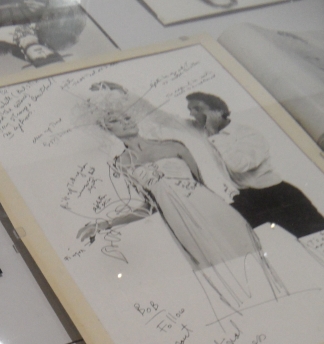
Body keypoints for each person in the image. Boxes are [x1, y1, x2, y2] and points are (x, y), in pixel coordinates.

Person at [78, 107, 288, 316]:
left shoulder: (173, 146)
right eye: (116, 120)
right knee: (217, 271)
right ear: (106, 128)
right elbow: (149, 206)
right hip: (181, 225)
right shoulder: (121, 164)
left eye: (126, 115)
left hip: (212, 210)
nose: (126, 121)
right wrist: (106, 224)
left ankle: (281, 307)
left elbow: (202, 184)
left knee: (246, 258)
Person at [186, 92, 324, 238]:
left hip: (277, 196)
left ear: (218, 111)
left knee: (316, 238)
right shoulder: (203, 133)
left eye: (197, 109)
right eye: (190, 110)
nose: (192, 113)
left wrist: (214, 135)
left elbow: (239, 165)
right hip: (246, 199)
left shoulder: (247, 134)